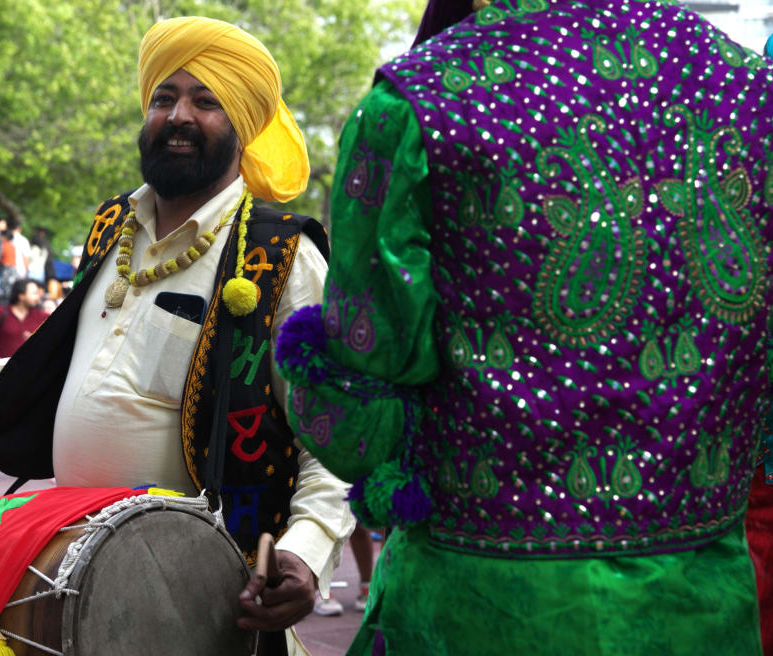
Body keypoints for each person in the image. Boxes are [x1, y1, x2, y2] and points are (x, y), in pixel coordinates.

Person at [274, 1, 773, 654]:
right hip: (698, 607)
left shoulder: (415, 103)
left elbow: (361, 416)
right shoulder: (751, 88)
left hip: (474, 609)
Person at [0, 16, 354, 655]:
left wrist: (305, 555)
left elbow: (329, 437)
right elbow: (87, 361)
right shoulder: (113, 226)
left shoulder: (281, 255)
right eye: (164, 98)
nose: (178, 116)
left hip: (195, 599)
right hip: (63, 574)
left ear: (244, 124)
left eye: (206, 101)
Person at [0, 278, 47, 360]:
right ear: (21, 296)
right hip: (3, 368)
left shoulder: (41, 316)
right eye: (34, 293)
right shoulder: (1, 312)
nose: (38, 297)